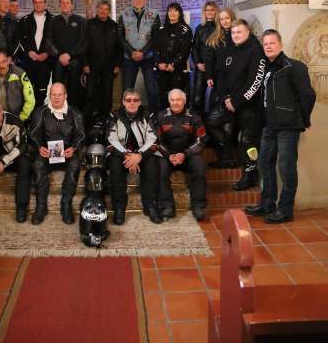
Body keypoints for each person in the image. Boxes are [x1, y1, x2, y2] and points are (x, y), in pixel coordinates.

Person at [245, 29, 316, 224]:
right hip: (269, 126)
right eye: (265, 44)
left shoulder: (294, 67)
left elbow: (308, 95)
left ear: (280, 44)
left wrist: (305, 120)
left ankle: (285, 210)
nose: (268, 46)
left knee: (286, 168)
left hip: (288, 127)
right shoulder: (266, 69)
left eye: (272, 43)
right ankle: (267, 204)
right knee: (264, 164)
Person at [212, 19, 266, 190]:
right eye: (234, 32)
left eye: (239, 32)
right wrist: (225, 98)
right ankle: (229, 158)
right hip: (229, 102)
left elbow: (255, 82)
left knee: (247, 140)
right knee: (212, 122)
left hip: (249, 105)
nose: (236, 35)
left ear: (247, 32)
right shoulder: (229, 47)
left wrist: (236, 101)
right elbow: (221, 75)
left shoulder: (256, 50)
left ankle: (250, 174)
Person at [29, 82, 85, 225]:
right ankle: (41, 206)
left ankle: (66, 205)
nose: (56, 98)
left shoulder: (75, 113)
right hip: (47, 153)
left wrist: (73, 148)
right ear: (49, 95)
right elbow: (33, 135)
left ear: (65, 95)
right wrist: (39, 147)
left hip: (67, 153)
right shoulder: (40, 112)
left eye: (59, 94)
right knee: (37, 164)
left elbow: (81, 135)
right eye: (53, 94)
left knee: (75, 165)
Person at [107, 88, 162, 225]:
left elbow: (153, 140)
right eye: (128, 100)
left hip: (143, 153)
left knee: (152, 166)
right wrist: (127, 156)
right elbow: (110, 140)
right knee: (115, 166)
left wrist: (139, 156)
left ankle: (150, 205)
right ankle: (119, 208)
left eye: (135, 100)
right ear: (123, 102)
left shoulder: (148, 116)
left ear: (140, 102)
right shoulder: (114, 116)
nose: (132, 103)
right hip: (121, 153)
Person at [156, 89, 207, 221]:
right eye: (172, 100)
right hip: (168, 156)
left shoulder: (194, 117)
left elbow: (201, 140)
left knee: (200, 165)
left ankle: (198, 206)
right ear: (169, 101)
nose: (175, 103)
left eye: (178, 100)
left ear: (184, 101)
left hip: (188, 155)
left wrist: (184, 154)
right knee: (159, 169)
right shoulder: (160, 117)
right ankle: (167, 206)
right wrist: (168, 155)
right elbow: (155, 141)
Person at [118, 0, 161, 114]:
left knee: (152, 88)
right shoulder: (124, 14)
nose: (138, 0)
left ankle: (154, 115)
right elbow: (120, 37)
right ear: (132, 0)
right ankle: (125, 114)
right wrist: (132, 52)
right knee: (127, 88)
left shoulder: (154, 14)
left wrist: (143, 52)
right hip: (128, 57)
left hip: (148, 57)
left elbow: (155, 37)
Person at [204, 7, 237, 167]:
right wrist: (209, 76)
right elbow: (209, 59)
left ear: (232, 19)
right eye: (222, 19)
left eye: (227, 18)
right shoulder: (215, 37)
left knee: (227, 120)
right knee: (214, 118)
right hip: (218, 83)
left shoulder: (237, 35)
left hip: (233, 85)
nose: (224, 21)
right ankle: (226, 155)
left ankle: (228, 157)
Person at [83, 0, 122, 126]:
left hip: (109, 66)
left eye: (106, 9)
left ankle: (106, 119)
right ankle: (88, 121)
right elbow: (84, 46)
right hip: (92, 65)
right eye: (101, 8)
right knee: (90, 93)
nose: (103, 11)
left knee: (107, 93)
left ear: (109, 11)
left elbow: (118, 47)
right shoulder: (89, 24)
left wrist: (117, 65)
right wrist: (85, 64)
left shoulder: (114, 26)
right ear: (97, 9)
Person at [45, 0, 87, 108]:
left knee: (74, 90)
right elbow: (48, 41)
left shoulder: (81, 21)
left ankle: (73, 114)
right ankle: (56, 113)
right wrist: (59, 55)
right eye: (62, 3)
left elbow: (83, 42)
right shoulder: (53, 21)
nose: (65, 5)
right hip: (58, 62)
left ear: (72, 5)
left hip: (75, 62)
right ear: (60, 5)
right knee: (57, 90)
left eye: (67, 3)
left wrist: (70, 55)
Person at [154, 2, 193, 110]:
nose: (172, 13)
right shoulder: (161, 29)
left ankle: (178, 122)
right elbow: (156, 48)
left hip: (177, 70)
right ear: (167, 13)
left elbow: (185, 51)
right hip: (162, 69)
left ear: (180, 13)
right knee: (162, 97)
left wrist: (173, 64)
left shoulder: (186, 30)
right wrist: (158, 63)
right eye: (170, 10)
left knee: (176, 98)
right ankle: (164, 121)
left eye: (175, 10)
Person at [20, 0, 53, 107]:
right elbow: (20, 40)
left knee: (42, 91)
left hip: (46, 61)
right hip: (29, 61)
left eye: (41, 2)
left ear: (45, 3)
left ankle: (39, 115)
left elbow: (55, 40)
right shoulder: (24, 20)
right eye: (36, 2)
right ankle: (28, 117)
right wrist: (29, 52)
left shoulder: (53, 20)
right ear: (33, 3)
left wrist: (48, 53)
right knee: (28, 90)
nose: (38, 5)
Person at [190, 0, 219, 114]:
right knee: (197, 98)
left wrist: (213, 65)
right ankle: (198, 124)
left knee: (216, 97)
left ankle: (213, 122)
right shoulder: (199, 28)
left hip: (216, 67)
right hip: (201, 67)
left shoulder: (220, 27)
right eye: (207, 10)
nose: (210, 12)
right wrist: (197, 63)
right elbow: (195, 48)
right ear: (204, 12)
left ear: (216, 11)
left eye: (212, 10)